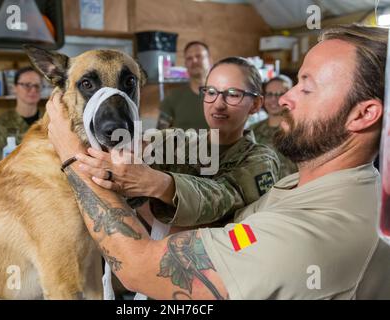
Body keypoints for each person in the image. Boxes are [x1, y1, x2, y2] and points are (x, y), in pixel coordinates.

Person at [46, 24, 390, 300]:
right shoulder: (297, 186)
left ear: (364, 114)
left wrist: (71, 156)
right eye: (210, 92)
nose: (283, 99)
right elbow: (237, 230)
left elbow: (144, 267)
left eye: (306, 88)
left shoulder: (306, 227)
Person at [50, 57, 281, 230]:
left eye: (233, 94)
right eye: (211, 92)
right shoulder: (175, 142)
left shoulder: (260, 161)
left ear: (255, 104)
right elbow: (120, 157)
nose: (218, 104)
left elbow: (223, 198)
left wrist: (157, 184)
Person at [0, 67, 43, 167]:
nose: (33, 90)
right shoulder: (0, 124)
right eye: (27, 85)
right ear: (14, 88)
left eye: (37, 86)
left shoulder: (50, 122)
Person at [157, 41, 212, 130]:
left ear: (209, 60)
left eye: (198, 56)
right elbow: (159, 133)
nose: (194, 60)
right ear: (185, 64)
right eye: (189, 58)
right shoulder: (173, 97)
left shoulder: (224, 96)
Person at [250, 75, 298, 178]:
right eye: (269, 94)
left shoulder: (299, 131)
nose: (274, 99)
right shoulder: (252, 131)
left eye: (280, 94)